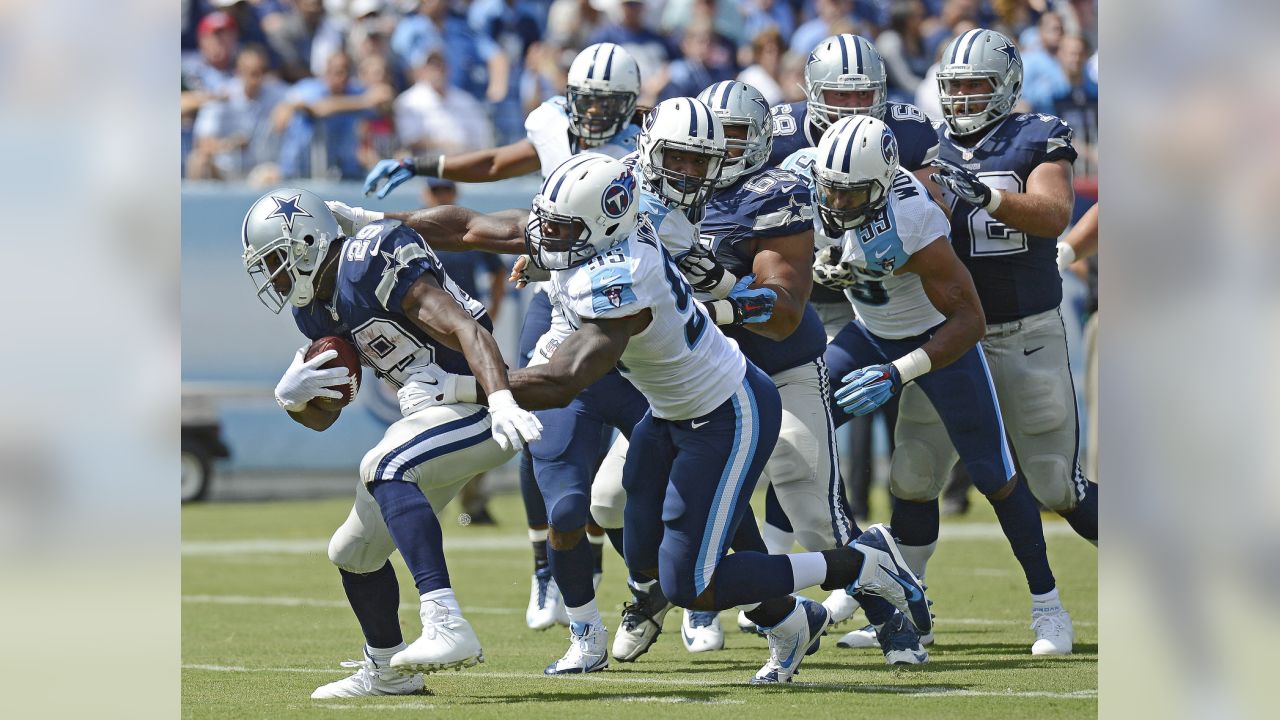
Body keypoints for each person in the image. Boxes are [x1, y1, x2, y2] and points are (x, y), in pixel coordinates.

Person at [404, 152, 935, 685]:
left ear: (605, 223)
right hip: (669, 413)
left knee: (690, 585)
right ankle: (796, 621)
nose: (547, 237)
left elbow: (564, 380)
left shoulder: (623, 280)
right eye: (548, 222)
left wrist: (455, 387)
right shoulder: (599, 232)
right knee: (643, 556)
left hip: (726, 412)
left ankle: (861, 562)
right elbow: (472, 226)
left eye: (562, 227)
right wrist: (376, 227)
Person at [347, 43, 652, 663]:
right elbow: (486, 183)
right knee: (534, 421)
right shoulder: (548, 130)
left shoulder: (654, 147)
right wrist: (414, 170)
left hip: (636, 304)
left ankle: (676, 591)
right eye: (583, 101)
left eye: (604, 103)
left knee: (664, 471)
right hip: (562, 293)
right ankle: (552, 566)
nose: (591, 114)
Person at [239, 188, 542, 698]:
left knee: (386, 466)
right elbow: (324, 420)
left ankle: (445, 622)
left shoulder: (370, 258)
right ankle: (389, 672)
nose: (273, 277)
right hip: (429, 419)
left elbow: (466, 328)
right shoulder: (315, 311)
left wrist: (504, 399)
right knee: (352, 552)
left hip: (476, 402)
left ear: (308, 242)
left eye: (276, 261)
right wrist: (294, 399)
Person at [784, 114, 1068, 656]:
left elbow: (970, 322)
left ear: (885, 181)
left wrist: (900, 372)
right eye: (832, 191)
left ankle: (1048, 604)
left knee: (994, 473)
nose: (838, 203)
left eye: (853, 193)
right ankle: (873, 577)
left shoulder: (913, 217)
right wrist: (811, 267)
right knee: (797, 435)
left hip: (935, 338)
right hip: (868, 334)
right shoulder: (809, 184)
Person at [922, 25, 1097, 558]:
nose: (962, 97)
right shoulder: (925, 144)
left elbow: (1053, 214)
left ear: (1006, 83)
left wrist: (987, 198)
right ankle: (895, 609)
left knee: (1055, 482)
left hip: (1024, 328)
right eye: (955, 85)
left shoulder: (1037, 134)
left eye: (976, 85)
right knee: (913, 473)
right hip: (949, 332)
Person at [188, 45, 288, 180]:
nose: (259, 79)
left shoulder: (276, 93)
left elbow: (306, 97)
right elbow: (203, 143)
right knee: (198, 161)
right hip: (225, 169)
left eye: (263, 71)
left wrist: (290, 107)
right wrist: (229, 144)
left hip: (259, 170)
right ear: (239, 72)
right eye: (253, 73)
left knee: (272, 175)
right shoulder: (223, 95)